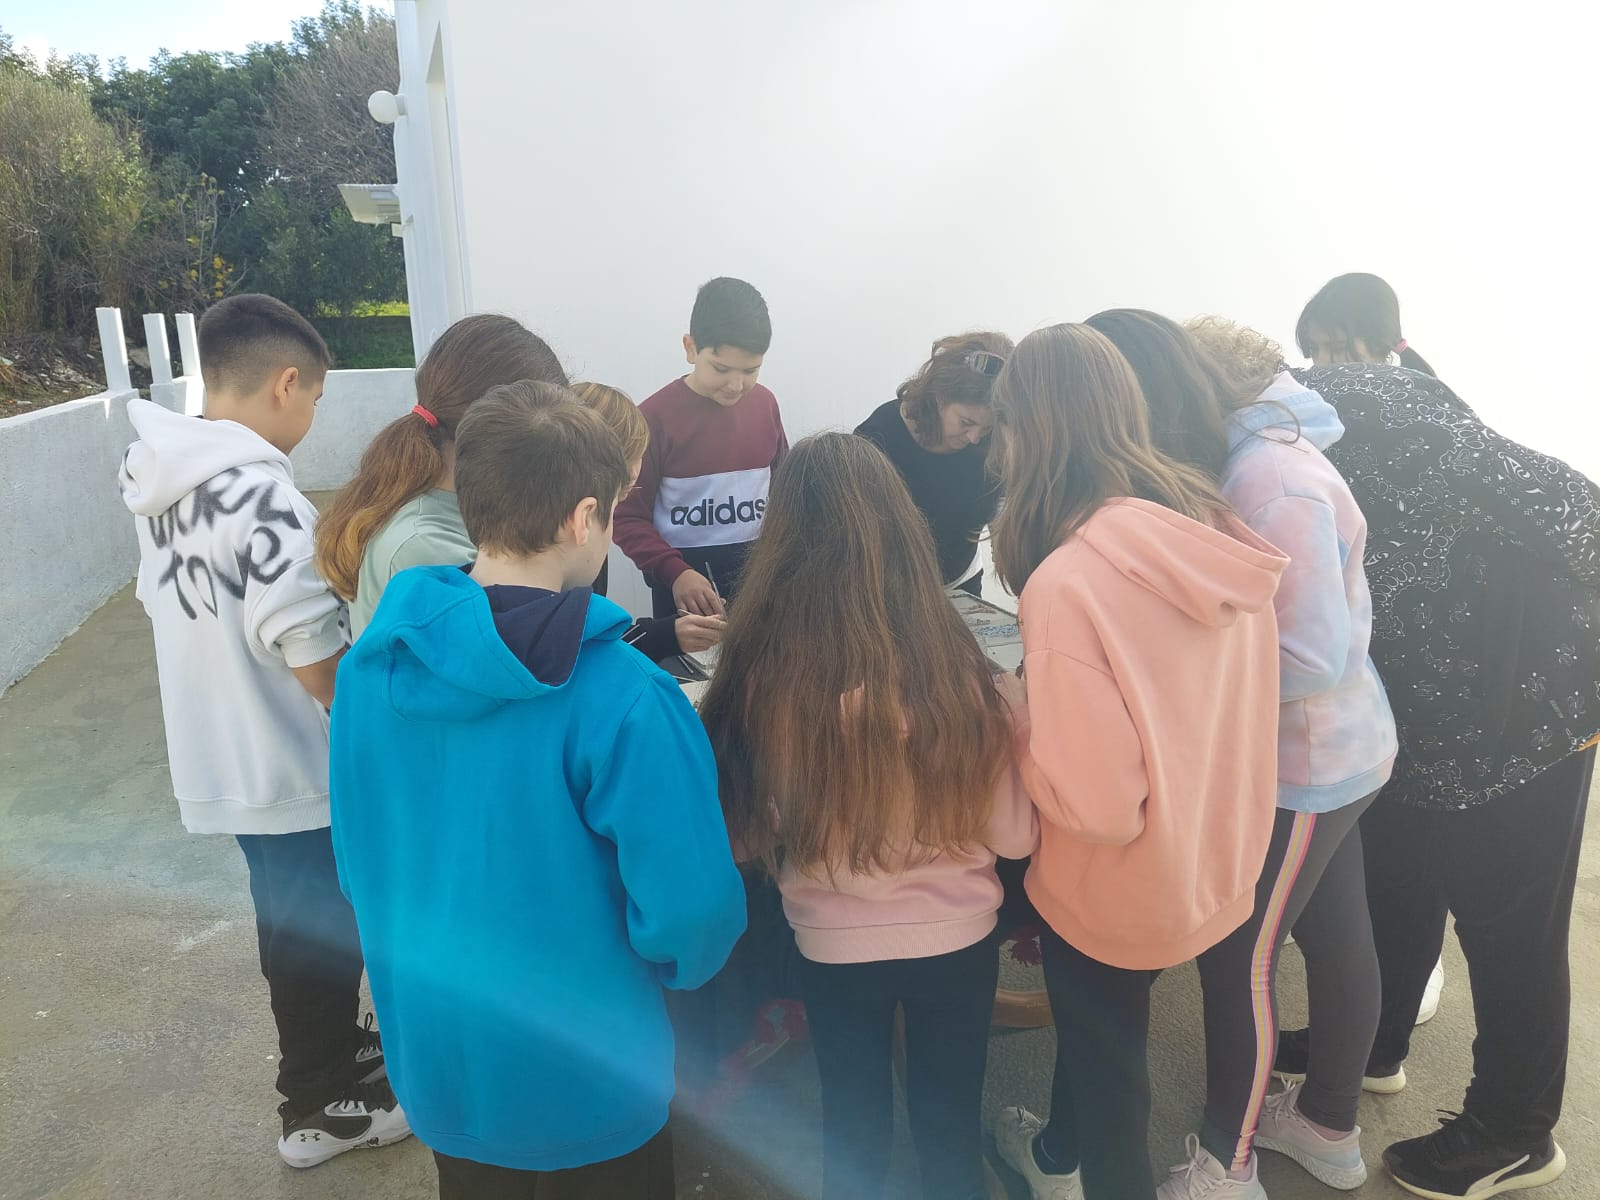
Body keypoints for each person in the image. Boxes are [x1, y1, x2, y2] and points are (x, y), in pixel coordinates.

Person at [328, 380, 747, 1200]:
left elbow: (358, 861)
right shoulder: (628, 696)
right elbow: (691, 913)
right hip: (592, 1081)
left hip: (442, 1065)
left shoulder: (369, 673)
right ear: (584, 517)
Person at [1277, 276, 1600, 1199]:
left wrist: (1532, 641)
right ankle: (1372, 1042)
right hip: (1423, 717)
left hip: (1523, 722)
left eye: (1332, 344)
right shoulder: (1315, 424)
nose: (1323, 362)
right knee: (1398, 883)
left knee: (1510, 931)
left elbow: (1582, 513)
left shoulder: (1390, 414)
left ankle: (1516, 1132)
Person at [1089, 310, 1397, 1197]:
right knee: (1336, 935)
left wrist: (1188, 682)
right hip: (1342, 750)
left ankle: (1227, 1167)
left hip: (1307, 764)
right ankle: (1328, 1124)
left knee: (1241, 960)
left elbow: (1311, 654)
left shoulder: (1271, 478)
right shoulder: (1265, 455)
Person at [986, 324, 1287, 1200]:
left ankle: (1077, 1169)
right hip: (1212, 857)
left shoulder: (1067, 583)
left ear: (1024, 430)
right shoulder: (1210, 529)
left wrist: (1015, 716)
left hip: (1113, 887)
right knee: (1105, 1047)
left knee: (1114, 1085)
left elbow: (1098, 805)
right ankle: (1055, 1157)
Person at [699, 433, 1035, 1200]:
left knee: (851, 1127)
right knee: (949, 1127)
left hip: (831, 945)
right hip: (960, 941)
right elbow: (1014, 835)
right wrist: (1020, 721)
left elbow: (744, 838)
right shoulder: (963, 677)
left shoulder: (765, 683)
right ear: (904, 533)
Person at [118, 294, 409, 1166]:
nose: (312, 416)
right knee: (319, 936)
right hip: (290, 761)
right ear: (287, 383)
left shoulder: (164, 482)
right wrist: (377, 733)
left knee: (289, 926)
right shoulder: (265, 496)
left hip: (223, 755)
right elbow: (312, 651)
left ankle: (330, 1053)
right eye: (315, 397)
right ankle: (317, 1109)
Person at [314, 313, 567, 637]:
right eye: (551, 426)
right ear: (503, 429)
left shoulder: (447, 509)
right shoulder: (428, 547)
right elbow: (524, 650)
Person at [612, 277, 788, 617]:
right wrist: (676, 573)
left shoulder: (765, 405)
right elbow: (626, 516)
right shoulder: (653, 418)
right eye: (721, 369)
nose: (736, 385)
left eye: (751, 371)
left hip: (761, 593)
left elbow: (785, 491)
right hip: (683, 600)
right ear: (690, 348)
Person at [571, 381, 725, 660]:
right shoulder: (576, 546)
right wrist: (663, 637)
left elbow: (584, 636)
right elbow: (577, 650)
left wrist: (668, 635)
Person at [854, 333, 1011, 593]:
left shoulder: (994, 442)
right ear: (939, 397)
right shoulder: (878, 437)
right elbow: (856, 532)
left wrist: (1009, 553)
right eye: (966, 423)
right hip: (891, 589)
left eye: (987, 428)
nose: (974, 438)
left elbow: (1002, 506)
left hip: (961, 582)